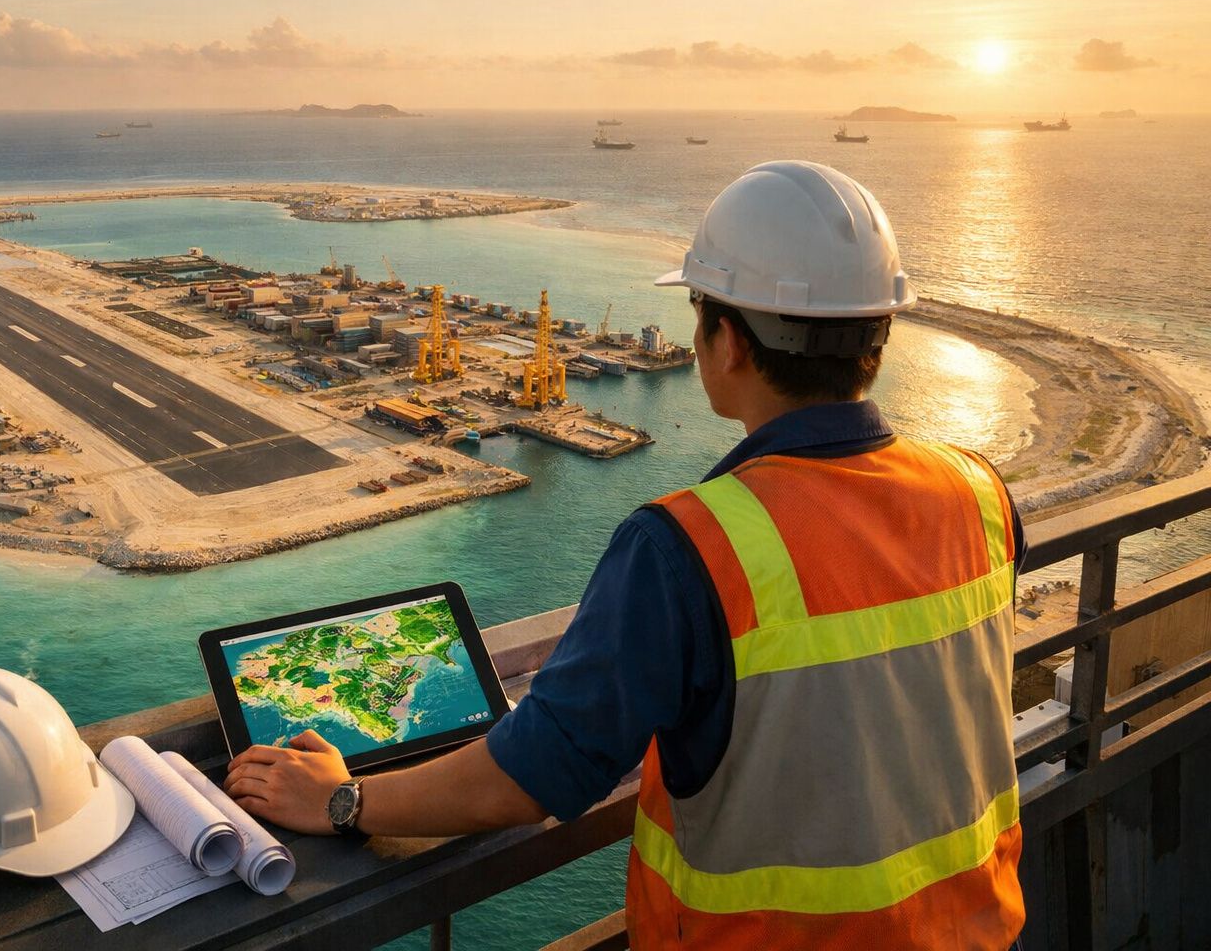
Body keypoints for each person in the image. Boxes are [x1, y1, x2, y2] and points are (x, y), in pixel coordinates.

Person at [224, 161, 1027, 949]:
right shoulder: (979, 493)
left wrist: (343, 801)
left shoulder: (690, 547)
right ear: (878, 338)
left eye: (700, 311)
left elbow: (532, 777)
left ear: (728, 343)